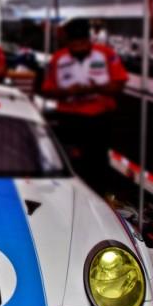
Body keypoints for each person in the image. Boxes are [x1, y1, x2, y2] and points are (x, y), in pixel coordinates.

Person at [41, 16, 128, 192]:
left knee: (97, 165)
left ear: (88, 40)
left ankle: (97, 198)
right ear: (68, 41)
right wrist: (67, 92)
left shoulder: (106, 54)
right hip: (68, 118)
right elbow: (47, 90)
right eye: (74, 44)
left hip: (99, 118)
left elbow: (119, 84)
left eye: (82, 43)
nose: (78, 47)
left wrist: (95, 89)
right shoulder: (58, 58)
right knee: (69, 164)